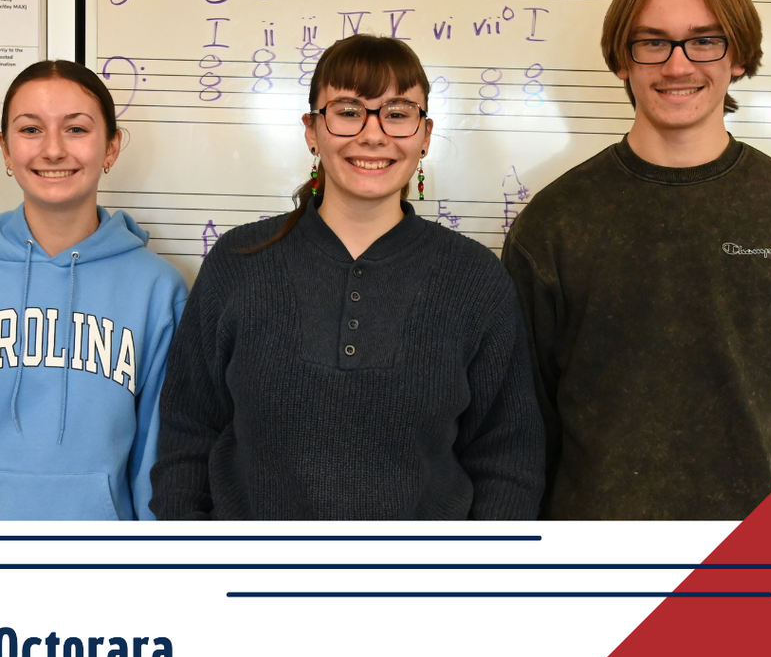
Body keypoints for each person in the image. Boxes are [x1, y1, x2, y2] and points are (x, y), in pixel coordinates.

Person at [502, 0, 771, 520]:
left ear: (737, 55)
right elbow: (526, 417)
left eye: (705, 40)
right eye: (652, 42)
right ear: (623, 60)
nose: (678, 64)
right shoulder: (552, 225)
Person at [151, 34, 545, 520]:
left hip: (421, 592)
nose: (374, 134)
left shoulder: (474, 279)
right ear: (312, 130)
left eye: (398, 113)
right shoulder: (238, 263)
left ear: (425, 135)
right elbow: (187, 437)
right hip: (255, 588)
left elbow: (508, 458)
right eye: (348, 110)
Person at [0, 60, 188, 520]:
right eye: (30, 129)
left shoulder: (157, 290)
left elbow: (157, 465)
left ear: (111, 146)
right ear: (5, 148)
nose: (53, 150)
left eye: (77, 129)